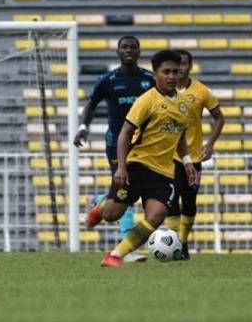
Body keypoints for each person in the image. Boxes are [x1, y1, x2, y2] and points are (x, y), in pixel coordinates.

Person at [85, 50, 199, 268]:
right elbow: (125, 133)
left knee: (157, 215)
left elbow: (180, 135)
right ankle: (99, 208)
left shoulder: (184, 104)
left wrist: (187, 162)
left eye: (175, 72)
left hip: (164, 172)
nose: (172, 76)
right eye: (166, 72)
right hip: (137, 165)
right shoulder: (146, 100)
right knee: (112, 214)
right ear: (155, 74)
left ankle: (115, 255)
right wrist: (121, 167)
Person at [73, 35, 154, 263]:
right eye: (125, 47)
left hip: (144, 145)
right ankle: (127, 247)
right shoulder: (108, 80)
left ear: (139, 51)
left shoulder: (149, 79)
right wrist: (83, 128)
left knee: (129, 193)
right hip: (116, 145)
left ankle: (99, 202)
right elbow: (91, 104)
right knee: (125, 191)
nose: (129, 50)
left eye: (133, 47)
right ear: (118, 51)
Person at [164, 49, 224, 260]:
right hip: (169, 157)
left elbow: (219, 118)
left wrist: (210, 144)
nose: (180, 68)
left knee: (189, 203)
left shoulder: (201, 91)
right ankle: (174, 246)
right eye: (176, 64)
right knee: (171, 203)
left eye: (184, 64)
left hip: (194, 157)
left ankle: (183, 242)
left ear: (190, 66)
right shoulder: (162, 90)